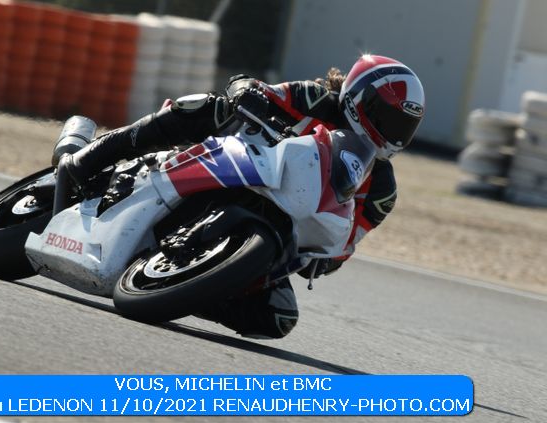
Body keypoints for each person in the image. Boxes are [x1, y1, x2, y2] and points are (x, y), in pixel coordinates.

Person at [57, 54, 425, 339]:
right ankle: (89, 158)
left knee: (278, 316)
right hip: (236, 163)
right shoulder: (315, 99)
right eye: (388, 119)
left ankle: (189, 285)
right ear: (360, 98)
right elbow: (251, 87)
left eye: (403, 128)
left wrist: (326, 260)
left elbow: (348, 240)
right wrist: (247, 95)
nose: (393, 134)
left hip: (281, 226)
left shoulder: (381, 189)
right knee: (208, 107)